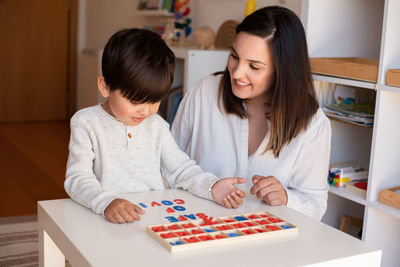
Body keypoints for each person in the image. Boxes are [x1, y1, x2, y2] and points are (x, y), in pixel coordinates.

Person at [65, 28, 246, 224]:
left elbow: (181, 169)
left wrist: (212, 186)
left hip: (150, 217)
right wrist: (106, 202)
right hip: (103, 216)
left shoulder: (157, 125)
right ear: (105, 87)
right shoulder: (85, 122)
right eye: (135, 102)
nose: (146, 111)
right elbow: (77, 178)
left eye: (155, 101)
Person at [172, 6, 331, 220]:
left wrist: (286, 198)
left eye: (254, 66)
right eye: (234, 56)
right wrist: (207, 186)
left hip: (263, 244)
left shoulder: (312, 123)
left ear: (283, 71)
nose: (237, 72)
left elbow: (315, 205)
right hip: (193, 230)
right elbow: (167, 165)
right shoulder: (204, 92)